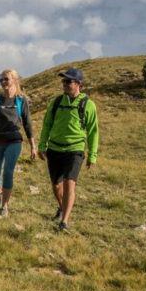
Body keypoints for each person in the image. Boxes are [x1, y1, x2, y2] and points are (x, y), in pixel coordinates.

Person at [38, 67, 100, 231]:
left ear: (79, 83)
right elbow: (47, 125)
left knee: (69, 184)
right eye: (63, 81)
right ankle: (61, 207)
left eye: (68, 81)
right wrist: (42, 145)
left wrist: (92, 156)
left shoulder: (88, 105)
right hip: (54, 149)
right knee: (56, 186)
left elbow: (93, 131)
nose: (64, 84)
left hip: (75, 149)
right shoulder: (56, 102)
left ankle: (64, 222)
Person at [0, 69, 37, 217]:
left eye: (6, 79)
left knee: (8, 171)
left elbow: (28, 123)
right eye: (1, 80)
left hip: (14, 140)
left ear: (14, 80)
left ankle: (5, 206)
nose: (3, 82)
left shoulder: (21, 100)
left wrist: (33, 146)